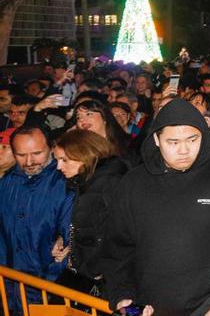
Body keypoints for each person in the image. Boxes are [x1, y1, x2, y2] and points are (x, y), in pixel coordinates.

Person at [104, 98, 210, 316]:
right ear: (157, 139)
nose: (184, 150)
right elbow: (118, 247)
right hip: (150, 305)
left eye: (192, 139)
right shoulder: (133, 183)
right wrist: (122, 296)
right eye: (173, 142)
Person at [0, 125, 74, 312]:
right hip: (9, 287)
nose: (29, 161)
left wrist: (51, 281)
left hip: (49, 288)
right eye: (21, 155)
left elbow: (68, 238)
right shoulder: (7, 182)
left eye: (37, 153)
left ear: (51, 147)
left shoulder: (66, 183)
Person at [52, 129, 127, 295]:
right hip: (85, 272)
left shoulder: (110, 183)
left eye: (64, 160)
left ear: (85, 154)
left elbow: (120, 233)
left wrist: (98, 269)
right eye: (57, 160)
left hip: (104, 281)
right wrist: (64, 240)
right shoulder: (84, 182)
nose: (58, 167)